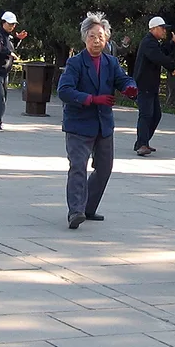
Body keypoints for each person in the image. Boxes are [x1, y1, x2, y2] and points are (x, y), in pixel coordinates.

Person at [59, 12, 137, 229]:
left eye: (100, 37)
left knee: (104, 168)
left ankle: (88, 208)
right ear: (85, 38)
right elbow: (64, 90)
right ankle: (75, 211)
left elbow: (124, 79)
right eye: (92, 36)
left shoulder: (110, 62)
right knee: (78, 166)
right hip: (79, 124)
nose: (96, 41)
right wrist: (91, 99)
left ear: (107, 39)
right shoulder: (75, 63)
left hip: (103, 124)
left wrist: (130, 88)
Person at [133, 16, 175, 156]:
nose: (164, 31)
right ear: (153, 28)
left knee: (156, 115)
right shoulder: (148, 42)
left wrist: (173, 42)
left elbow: (162, 52)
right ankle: (142, 144)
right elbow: (159, 57)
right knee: (146, 114)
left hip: (151, 84)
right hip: (144, 84)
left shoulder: (153, 42)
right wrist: (172, 68)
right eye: (162, 28)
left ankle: (142, 142)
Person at [0, 11, 28, 131]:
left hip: (4, 71)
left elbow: (11, 46)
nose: (12, 26)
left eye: (13, 24)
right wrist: (10, 53)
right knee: (0, 96)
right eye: (9, 24)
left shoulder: (10, 36)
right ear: (3, 23)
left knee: (2, 97)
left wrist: (18, 39)